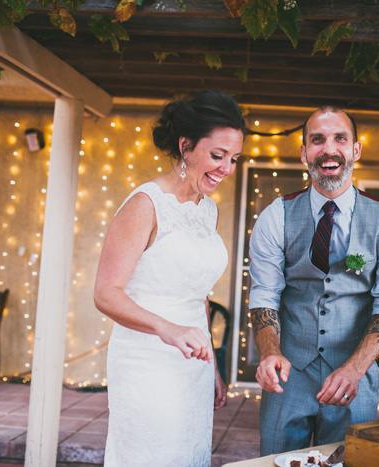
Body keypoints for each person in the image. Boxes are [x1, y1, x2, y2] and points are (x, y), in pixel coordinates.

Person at [248, 105, 379, 455]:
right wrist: (270, 353)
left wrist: (353, 369)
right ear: (304, 152)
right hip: (287, 376)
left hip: (355, 374)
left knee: (348, 461)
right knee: (276, 462)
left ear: (356, 149)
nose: (328, 149)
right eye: (317, 139)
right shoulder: (275, 216)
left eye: (340, 138)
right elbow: (265, 295)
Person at [93, 90, 245, 466]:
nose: (226, 168)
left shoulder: (208, 210)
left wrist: (211, 365)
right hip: (147, 358)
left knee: (187, 454)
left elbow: (198, 294)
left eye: (234, 159)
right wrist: (167, 329)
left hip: (192, 359)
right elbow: (106, 294)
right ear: (186, 146)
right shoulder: (145, 204)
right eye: (217, 155)